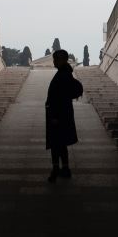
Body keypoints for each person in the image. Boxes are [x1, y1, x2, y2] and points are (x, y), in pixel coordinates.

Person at [45, 49, 82, 182]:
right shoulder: (65, 72)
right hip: (63, 114)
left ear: (61, 60)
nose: (54, 61)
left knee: (56, 143)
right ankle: (65, 169)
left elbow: (58, 97)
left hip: (59, 116)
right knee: (61, 143)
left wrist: (54, 116)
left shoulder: (63, 75)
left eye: (55, 59)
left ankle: (56, 169)